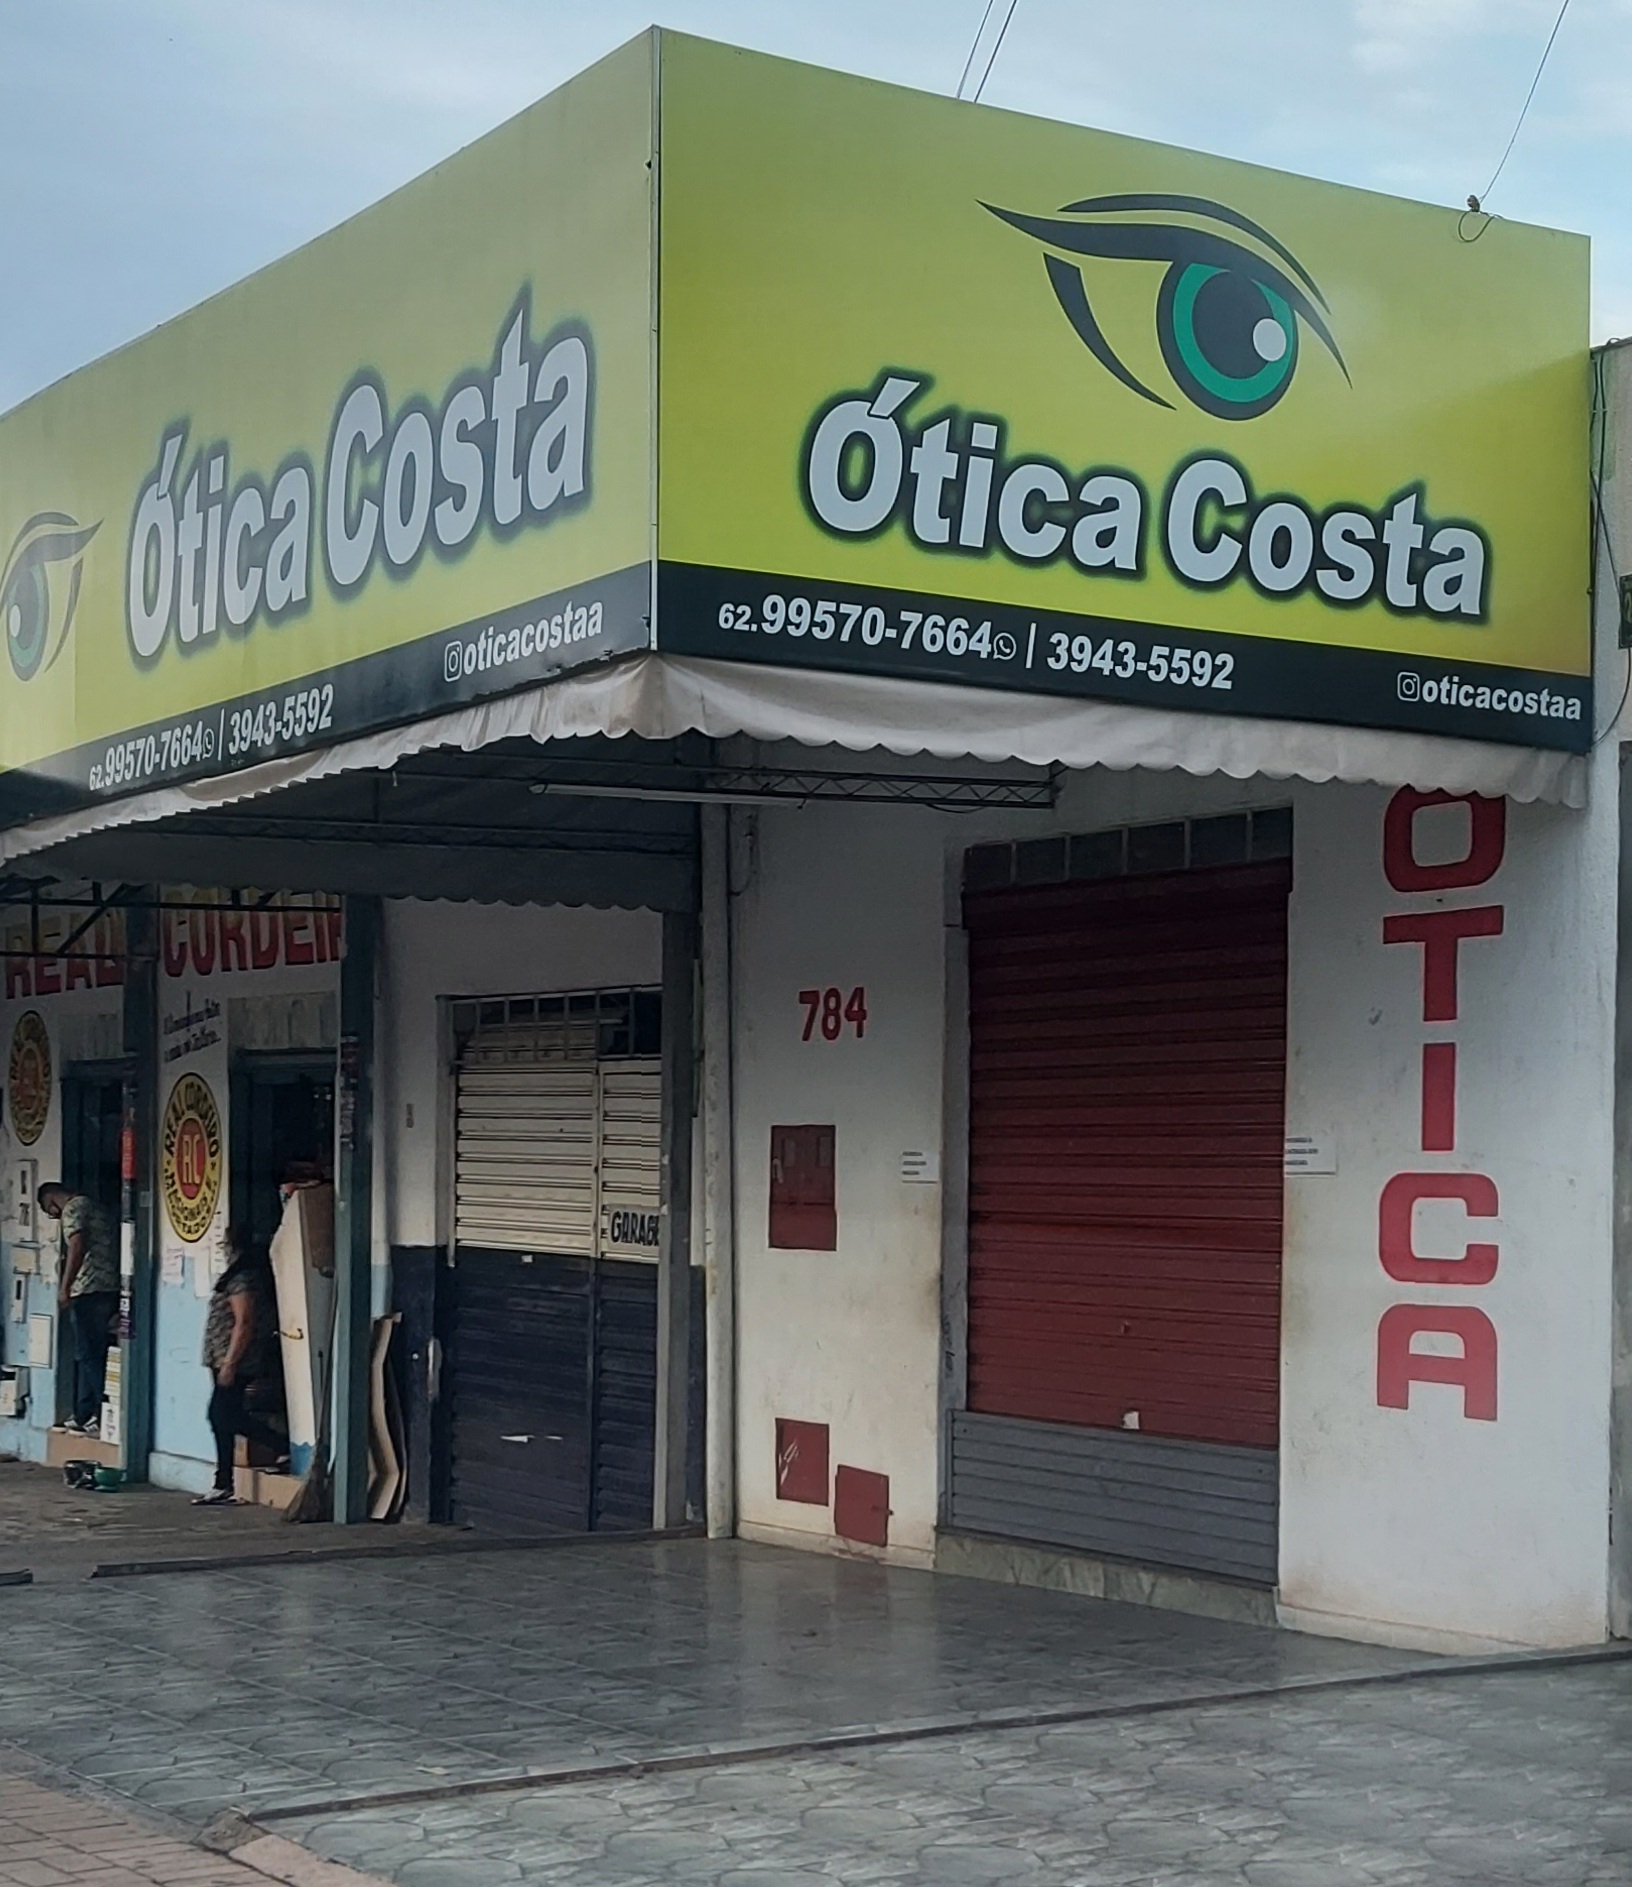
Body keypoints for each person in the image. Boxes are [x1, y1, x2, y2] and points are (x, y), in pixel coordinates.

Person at [195, 1231, 287, 1507]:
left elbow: (244, 1323)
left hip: (236, 1360)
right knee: (225, 1417)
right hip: (222, 1358)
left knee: (221, 1415)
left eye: (226, 1245)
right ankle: (223, 1482)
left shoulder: (244, 1280)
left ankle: (281, 1444)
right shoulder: (236, 1277)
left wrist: (230, 1363)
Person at [38, 1183, 119, 1436]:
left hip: (88, 1289)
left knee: (89, 1354)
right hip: (109, 1287)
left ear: (51, 1200)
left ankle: (104, 1412)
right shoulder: (95, 1206)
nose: (54, 1216)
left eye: (50, 1211)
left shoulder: (73, 1208)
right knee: (92, 1353)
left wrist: (65, 1287)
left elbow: (77, 1246)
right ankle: (84, 1413)